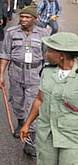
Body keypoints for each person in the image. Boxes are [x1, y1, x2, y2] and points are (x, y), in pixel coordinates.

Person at [0, 5, 50, 157]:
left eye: (28, 17)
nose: (24, 20)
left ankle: (29, 141)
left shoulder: (43, 33)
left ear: (34, 19)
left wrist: (47, 77)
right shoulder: (11, 33)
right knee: (17, 102)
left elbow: (47, 57)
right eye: (22, 17)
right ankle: (21, 122)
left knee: (31, 106)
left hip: (35, 75)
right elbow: (5, 54)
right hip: (15, 73)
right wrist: (0, 74)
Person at [20, 32, 78, 164]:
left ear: (62, 55)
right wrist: (27, 124)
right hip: (46, 132)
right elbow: (40, 100)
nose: (46, 54)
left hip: (72, 136)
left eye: (50, 51)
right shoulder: (47, 71)